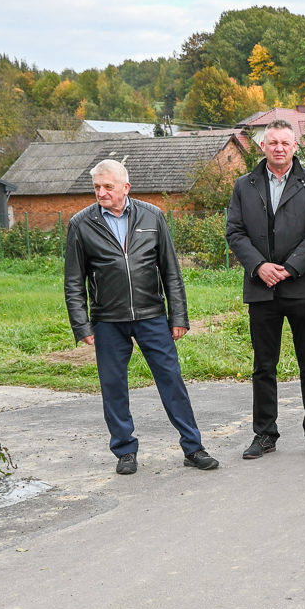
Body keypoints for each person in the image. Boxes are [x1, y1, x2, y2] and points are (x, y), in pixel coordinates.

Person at [63, 159, 217, 475]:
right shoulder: (81, 224)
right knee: (114, 386)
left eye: (108, 186)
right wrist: (81, 324)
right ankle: (124, 451)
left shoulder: (153, 216)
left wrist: (179, 316)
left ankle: (193, 447)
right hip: (108, 320)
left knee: (172, 381)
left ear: (125, 188)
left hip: (152, 316)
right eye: (97, 187)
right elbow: (74, 280)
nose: (101, 193)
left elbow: (171, 271)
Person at [225, 120, 305, 460]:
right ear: (263, 147)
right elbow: (235, 232)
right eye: (272, 142)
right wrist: (259, 266)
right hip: (262, 289)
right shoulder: (245, 185)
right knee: (263, 366)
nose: (278, 148)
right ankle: (264, 434)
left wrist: (288, 268)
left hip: (302, 286)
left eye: (285, 143)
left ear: (295, 146)